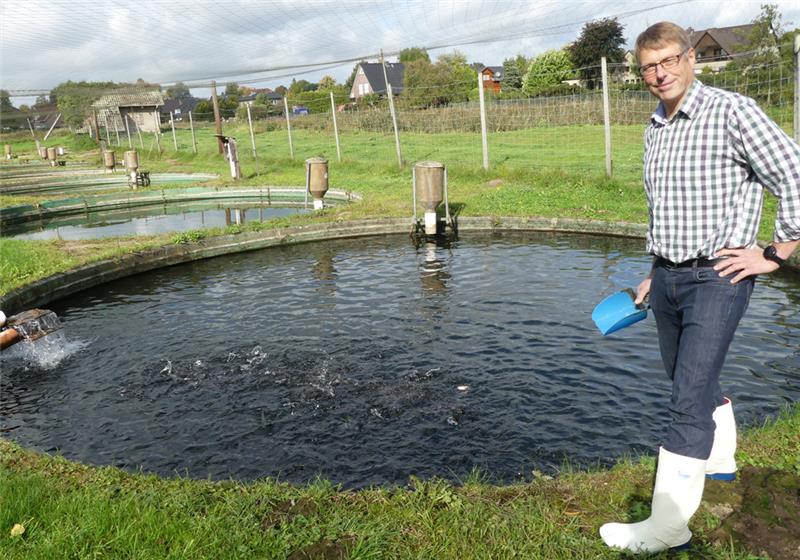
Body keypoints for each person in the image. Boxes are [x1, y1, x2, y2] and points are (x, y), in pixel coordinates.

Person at [599, 21, 800, 554]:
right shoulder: (655, 126)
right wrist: (653, 270)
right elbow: (666, 209)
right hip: (666, 274)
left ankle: (667, 527)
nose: (658, 74)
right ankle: (719, 459)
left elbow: (794, 173)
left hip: (719, 274)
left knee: (686, 396)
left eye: (667, 61)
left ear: (691, 57)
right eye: (647, 66)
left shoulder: (733, 111)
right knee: (687, 374)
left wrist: (777, 252)